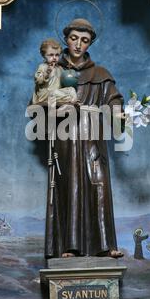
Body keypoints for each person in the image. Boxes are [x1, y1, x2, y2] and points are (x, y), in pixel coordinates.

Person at [43, 18, 124, 259]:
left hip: (93, 139)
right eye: (74, 38)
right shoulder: (52, 71)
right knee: (70, 187)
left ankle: (105, 246)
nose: (78, 45)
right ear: (66, 39)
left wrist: (119, 112)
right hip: (65, 139)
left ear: (90, 44)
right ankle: (69, 246)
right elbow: (36, 104)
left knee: (98, 185)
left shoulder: (101, 74)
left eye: (85, 41)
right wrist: (56, 108)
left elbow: (114, 100)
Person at [32, 38, 78, 105]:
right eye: (51, 55)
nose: (54, 57)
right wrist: (47, 73)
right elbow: (38, 80)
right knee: (55, 93)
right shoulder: (43, 66)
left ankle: (73, 101)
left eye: (57, 55)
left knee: (71, 89)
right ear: (44, 55)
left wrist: (69, 74)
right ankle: (70, 100)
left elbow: (64, 81)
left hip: (57, 92)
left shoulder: (59, 68)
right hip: (46, 94)